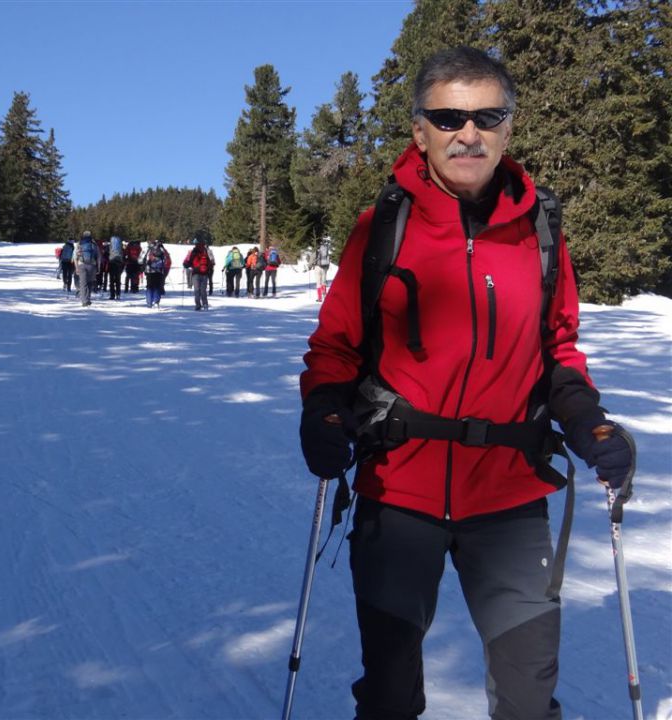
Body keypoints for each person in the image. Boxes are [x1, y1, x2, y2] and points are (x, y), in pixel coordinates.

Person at [298, 46, 635, 720]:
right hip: (399, 493)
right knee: (390, 696)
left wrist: (588, 421)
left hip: (509, 497)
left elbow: (558, 348)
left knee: (528, 698)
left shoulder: (540, 231)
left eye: (487, 116)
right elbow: (336, 345)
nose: (468, 132)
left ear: (509, 128)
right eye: (449, 116)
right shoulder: (382, 228)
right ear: (419, 130)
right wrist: (324, 412)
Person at [182, 236, 214, 311]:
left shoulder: (194, 251)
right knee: (203, 290)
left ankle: (198, 305)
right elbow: (210, 262)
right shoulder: (205, 251)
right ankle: (205, 304)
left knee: (197, 290)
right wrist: (209, 270)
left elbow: (188, 262)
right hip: (205, 273)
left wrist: (186, 265)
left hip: (196, 273)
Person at [140, 238, 171, 308]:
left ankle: (149, 303)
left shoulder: (147, 249)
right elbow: (167, 259)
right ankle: (156, 301)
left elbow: (140, 259)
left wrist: (143, 266)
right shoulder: (162, 249)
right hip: (159, 271)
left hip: (149, 270)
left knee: (149, 286)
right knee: (157, 286)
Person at [74, 230, 100, 307]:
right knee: (89, 282)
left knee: (83, 283)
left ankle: (84, 301)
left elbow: (75, 257)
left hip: (82, 265)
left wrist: (76, 267)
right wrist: (98, 267)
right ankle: (88, 299)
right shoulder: (94, 245)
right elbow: (98, 257)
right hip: (92, 265)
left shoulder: (79, 244)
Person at [108, 235, 125, 300]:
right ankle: (118, 294)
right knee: (118, 279)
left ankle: (112, 295)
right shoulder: (120, 246)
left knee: (112, 280)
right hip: (119, 262)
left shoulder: (110, 246)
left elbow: (107, 253)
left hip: (112, 262)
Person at [314, 237, 331, 302]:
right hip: (325, 267)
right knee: (323, 281)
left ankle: (319, 298)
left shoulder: (317, 250)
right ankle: (324, 294)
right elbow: (328, 259)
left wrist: (309, 266)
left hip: (317, 267)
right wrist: (327, 267)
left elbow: (312, 259)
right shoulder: (326, 250)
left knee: (318, 282)